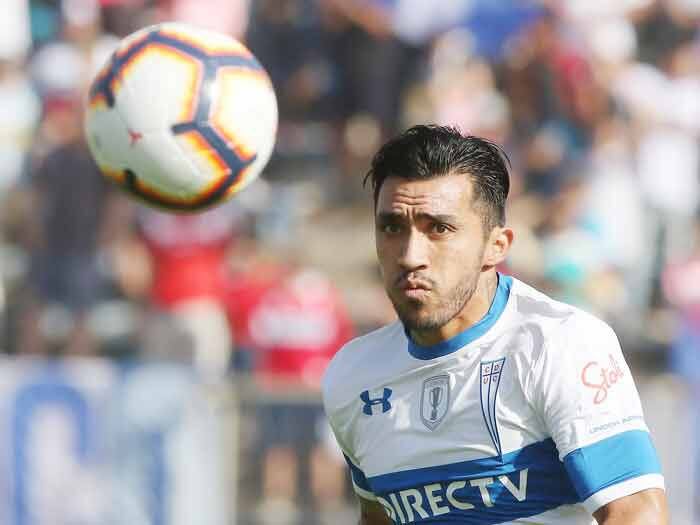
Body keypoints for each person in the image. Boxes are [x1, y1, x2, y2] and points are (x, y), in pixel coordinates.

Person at [321, 125, 668, 524]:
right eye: (392, 227)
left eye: (439, 229)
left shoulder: (559, 344)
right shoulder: (353, 375)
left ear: (496, 246)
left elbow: (636, 512)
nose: (411, 255)